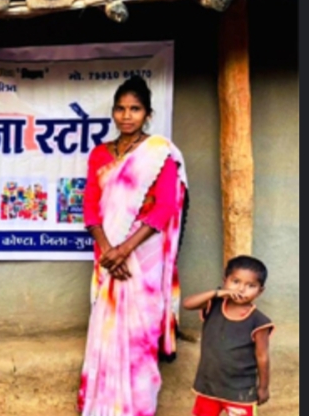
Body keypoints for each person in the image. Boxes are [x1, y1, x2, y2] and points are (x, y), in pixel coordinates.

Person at [76, 75, 189, 416]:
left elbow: (165, 207)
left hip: (144, 252)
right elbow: (90, 206)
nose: (126, 116)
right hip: (108, 253)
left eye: (135, 109)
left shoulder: (159, 152)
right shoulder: (99, 154)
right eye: (121, 109)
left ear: (147, 114)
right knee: (106, 331)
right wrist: (108, 250)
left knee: (140, 333)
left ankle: (137, 408)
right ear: (113, 112)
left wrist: (124, 250)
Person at [183, 255, 273, 416]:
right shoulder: (213, 305)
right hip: (208, 386)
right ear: (225, 281)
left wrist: (263, 387)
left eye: (251, 285)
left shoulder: (259, 322)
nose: (241, 289)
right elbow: (187, 304)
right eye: (235, 281)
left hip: (240, 391)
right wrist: (217, 293)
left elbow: (262, 357)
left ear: (260, 291)